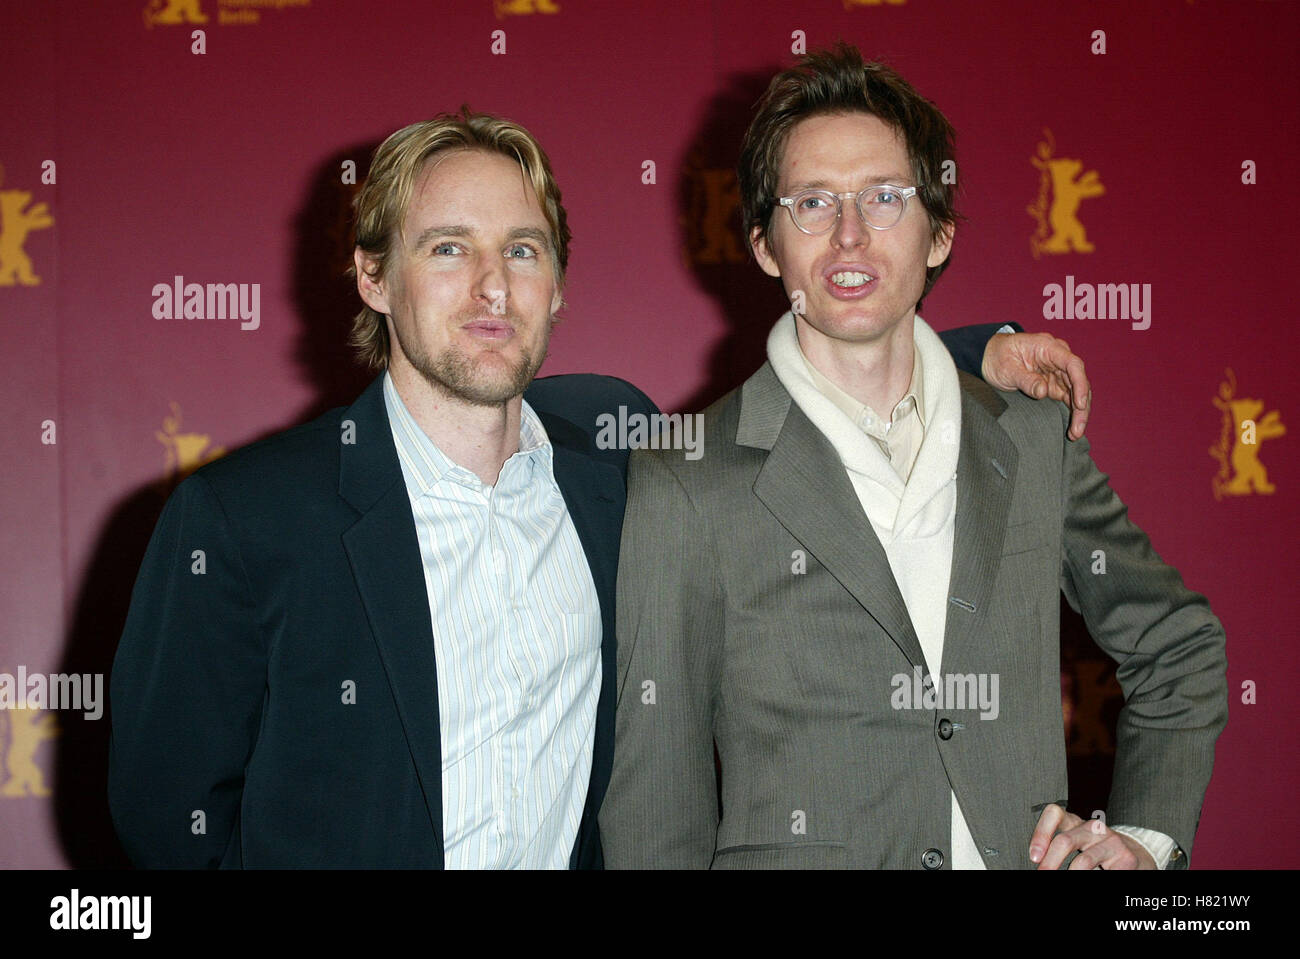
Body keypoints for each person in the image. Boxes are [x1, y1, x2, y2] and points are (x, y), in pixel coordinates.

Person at [109, 108, 1096, 869]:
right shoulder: (244, 518)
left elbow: (789, 424)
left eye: (523, 251)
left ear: (558, 284)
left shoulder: (623, 470)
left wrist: (975, 351)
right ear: (372, 274)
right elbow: (167, 818)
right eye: (448, 247)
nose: (492, 286)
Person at [599, 46, 1228, 870]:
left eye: (885, 197)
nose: (850, 231)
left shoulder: (1033, 438)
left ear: (939, 233)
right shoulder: (684, 480)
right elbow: (656, 815)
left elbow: (1178, 642)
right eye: (813, 201)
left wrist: (1144, 841)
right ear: (763, 244)